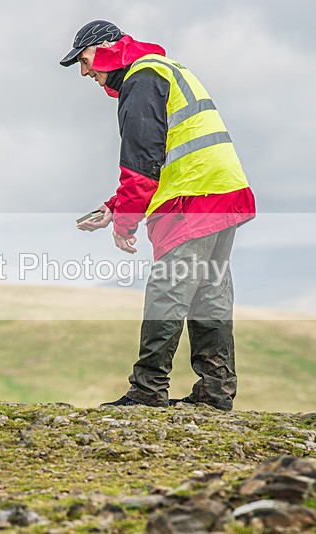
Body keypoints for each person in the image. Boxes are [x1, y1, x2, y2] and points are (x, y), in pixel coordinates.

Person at [60, 20, 256, 410]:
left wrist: (124, 222)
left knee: (167, 292)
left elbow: (141, 165)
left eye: (84, 60)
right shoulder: (163, 70)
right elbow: (163, 155)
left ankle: (148, 390)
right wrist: (114, 206)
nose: (84, 72)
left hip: (191, 198)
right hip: (222, 191)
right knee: (210, 293)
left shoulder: (142, 79)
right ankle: (216, 391)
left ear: (106, 49)